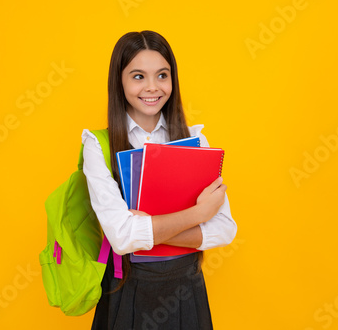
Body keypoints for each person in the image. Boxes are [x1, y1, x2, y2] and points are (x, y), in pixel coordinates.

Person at [81, 30, 237, 330]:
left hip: (186, 290)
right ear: (120, 81)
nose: (152, 87)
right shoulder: (97, 145)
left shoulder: (195, 139)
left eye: (162, 75)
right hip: (126, 289)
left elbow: (224, 229)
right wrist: (197, 215)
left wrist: (147, 226)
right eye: (138, 76)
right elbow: (122, 237)